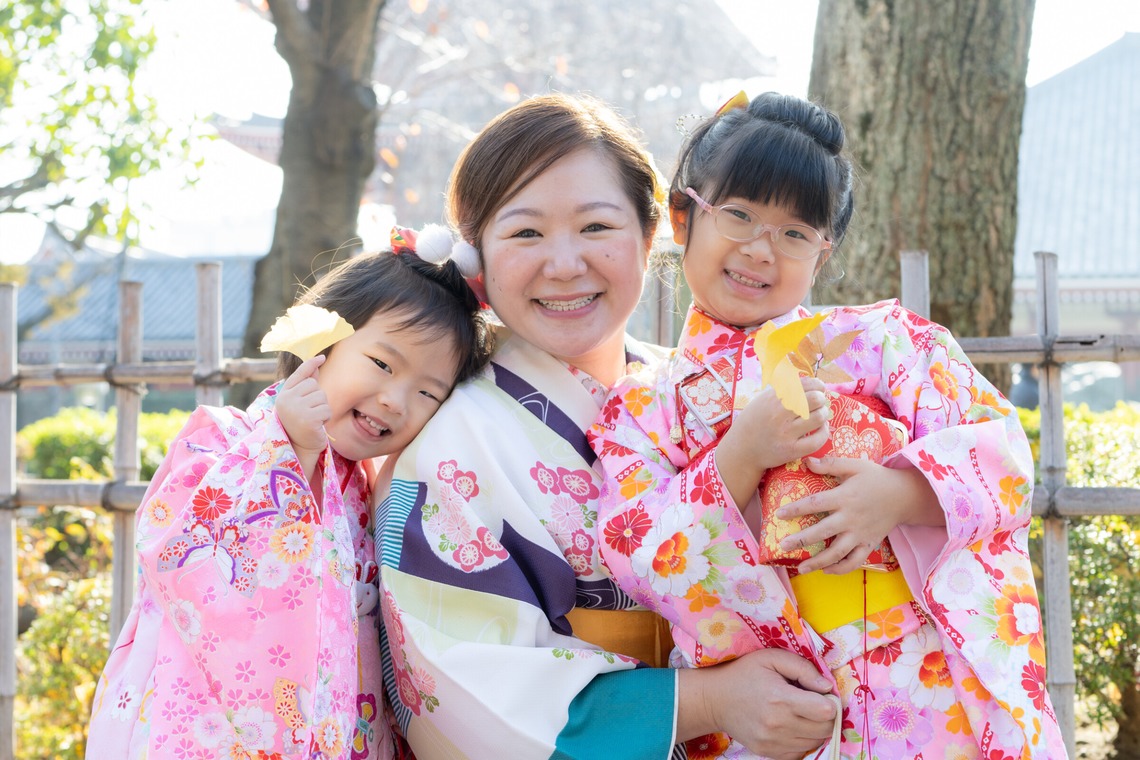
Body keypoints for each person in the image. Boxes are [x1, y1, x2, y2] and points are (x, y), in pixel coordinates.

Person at [589, 92, 1066, 759]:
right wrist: (743, 452)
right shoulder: (640, 408)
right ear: (681, 216)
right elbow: (636, 551)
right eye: (739, 215)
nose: (761, 249)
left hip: (926, 689)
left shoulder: (884, 342)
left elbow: (1002, 453)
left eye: (794, 232)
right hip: (779, 712)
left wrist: (904, 494)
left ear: (824, 250)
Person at [374, 93, 838, 760]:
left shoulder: (698, 390)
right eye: (526, 233)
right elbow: (461, 686)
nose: (564, 264)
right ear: (476, 258)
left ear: (655, 236)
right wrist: (706, 702)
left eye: (596, 227)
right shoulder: (450, 441)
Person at [87, 238, 492, 760]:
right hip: (206, 728)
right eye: (383, 364)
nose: (396, 399)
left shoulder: (374, 491)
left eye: (428, 393)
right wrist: (288, 456)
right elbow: (177, 555)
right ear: (321, 342)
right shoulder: (220, 440)